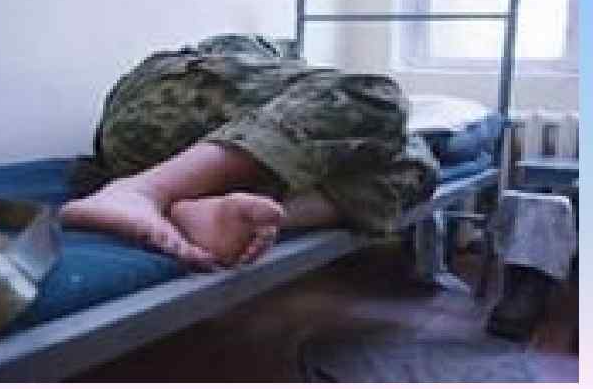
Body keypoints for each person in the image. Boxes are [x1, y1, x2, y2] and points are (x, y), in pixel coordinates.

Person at [61, 34, 440, 268]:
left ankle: (220, 215)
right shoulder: (247, 51)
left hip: (184, 158)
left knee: (418, 168)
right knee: (375, 98)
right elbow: (345, 98)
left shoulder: (308, 129)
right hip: (157, 107)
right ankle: (140, 193)